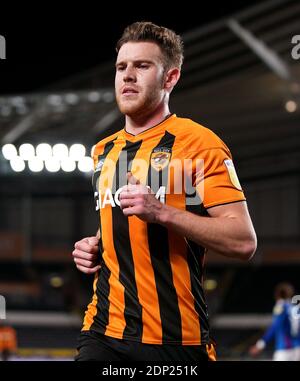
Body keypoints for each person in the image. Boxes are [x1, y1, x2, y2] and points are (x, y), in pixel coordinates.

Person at [72, 21, 257, 361]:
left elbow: (243, 240)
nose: (128, 75)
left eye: (142, 66)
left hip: (175, 342)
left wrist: (161, 212)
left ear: (170, 78)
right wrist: (94, 246)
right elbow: (120, 222)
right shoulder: (103, 151)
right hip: (102, 332)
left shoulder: (200, 143)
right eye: (121, 67)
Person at [249, 282, 298, 361]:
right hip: (297, 348)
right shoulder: (295, 307)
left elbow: (275, 326)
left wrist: (260, 345)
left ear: (277, 294)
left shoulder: (281, 306)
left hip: (285, 349)